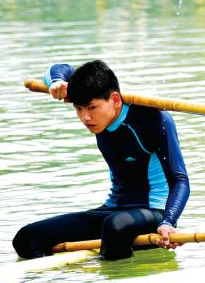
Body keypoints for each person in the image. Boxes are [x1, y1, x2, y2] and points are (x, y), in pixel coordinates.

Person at [13, 59, 190, 260]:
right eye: (79, 109)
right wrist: (57, 82)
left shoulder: (153, 120)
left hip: (154, 213)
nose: (85, 118)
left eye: (91, 107)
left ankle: (117, 278)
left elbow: (180, 180)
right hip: (113, 211)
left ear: (115, 100)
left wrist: (168, 222)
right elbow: (59, 68)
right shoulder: (94, 107)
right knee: (27, 238)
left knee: (116, 226)